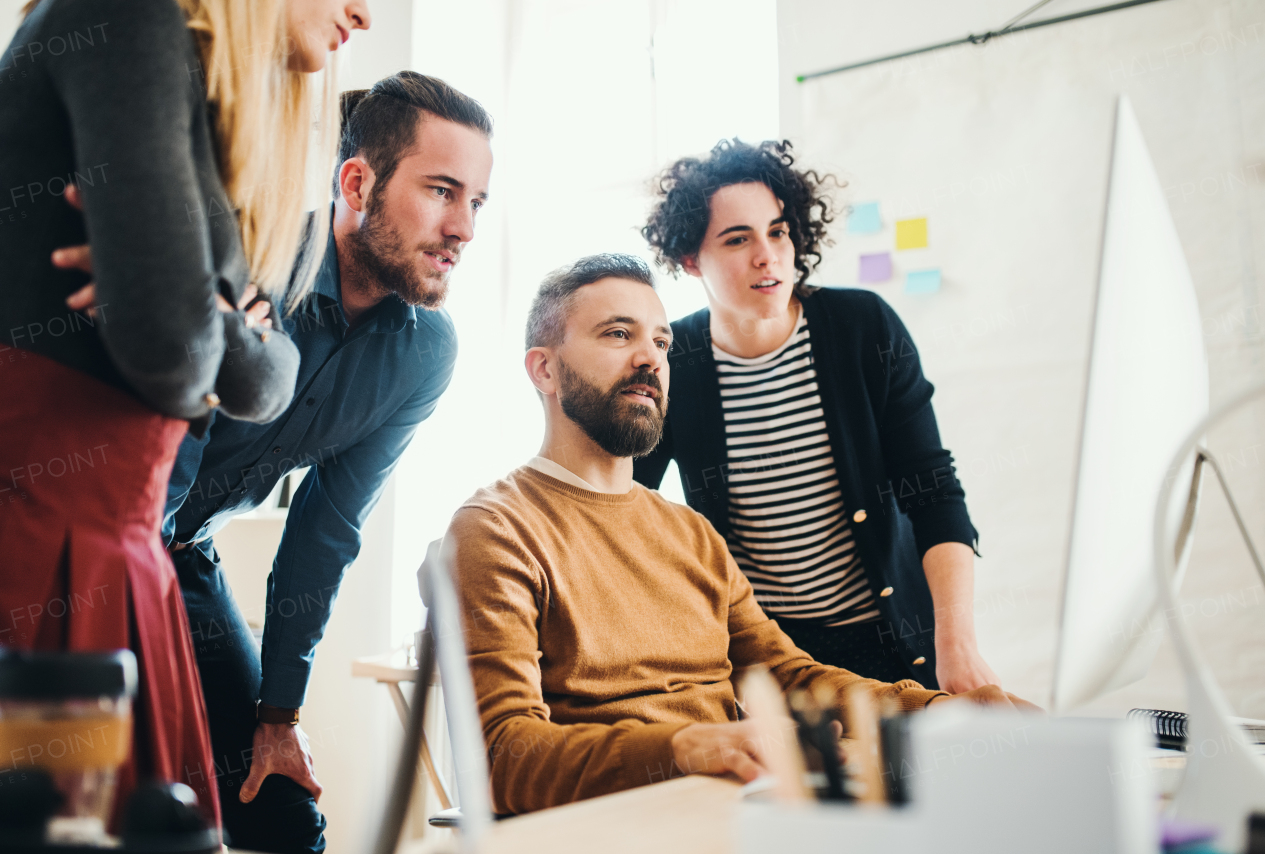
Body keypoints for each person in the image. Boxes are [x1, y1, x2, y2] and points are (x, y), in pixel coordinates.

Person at [443, 254, 1034, 816]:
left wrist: (940, 710)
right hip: (626, 825)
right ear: (544, 368)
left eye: (661, 341)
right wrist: (689, 747)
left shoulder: (689, 533)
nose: (648, 358)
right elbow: (499, 759)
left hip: (741, 805)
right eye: (618, 334)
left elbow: (791, 676)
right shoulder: (496, 530)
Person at [0, 0, 368, 831]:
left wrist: (196, 309)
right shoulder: (124, 15)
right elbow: (175, 353)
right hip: (42, 557)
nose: (365, 13)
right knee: (64, 826)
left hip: (118, 558)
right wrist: (202, 314)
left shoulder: (197, 99)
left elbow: (269, 376)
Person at [161, 72, 493, 853]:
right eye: (443, 191)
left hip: (184, 553)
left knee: (281, 812)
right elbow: (166, 461)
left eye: (477, 202)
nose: (465, 228)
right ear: (357, 182)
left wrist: (280, 715)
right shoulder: (250, 257)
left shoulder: (425, 355)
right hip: (97, 537)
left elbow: (326, 528)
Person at [635, 140, 996, 694]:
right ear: (690, 259)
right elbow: (625, 508)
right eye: (738, 239)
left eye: (778, 231)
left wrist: (957, 645)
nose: (768, 255)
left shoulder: (863, 327)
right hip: (766, 660)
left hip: (896, 643)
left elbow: (934, 493)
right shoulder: (672, 359)